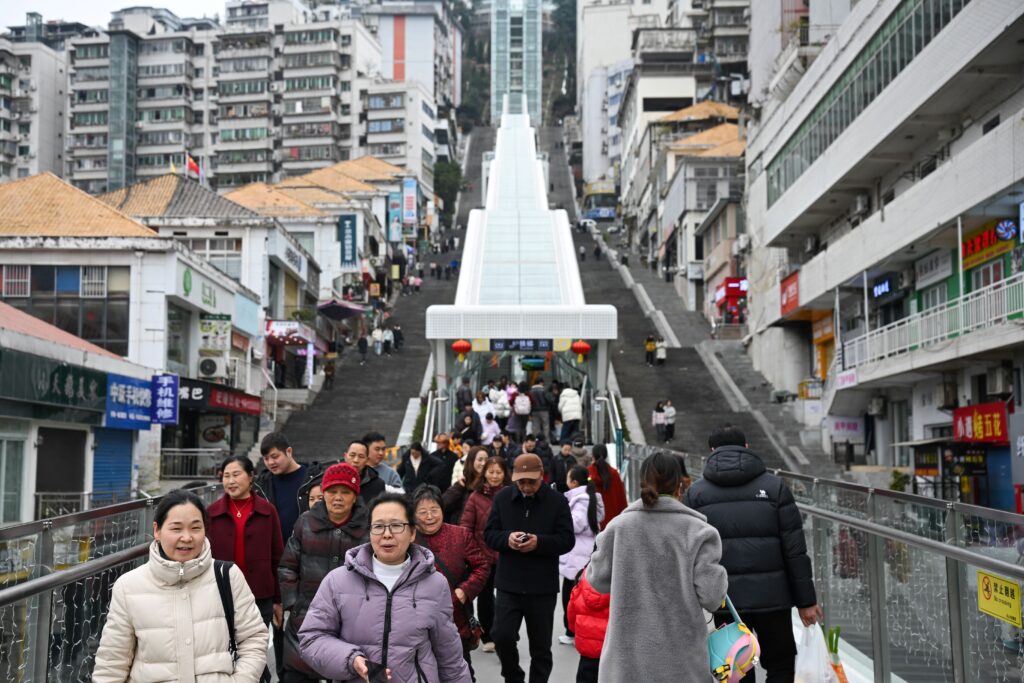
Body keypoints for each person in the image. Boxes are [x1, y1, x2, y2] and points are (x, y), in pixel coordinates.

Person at [685, 426, 822, 682]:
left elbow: (690, 554)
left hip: (725, 600)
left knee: (737, 669)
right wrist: (806, 601)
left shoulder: (696, 494)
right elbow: (795, 550)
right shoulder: (775, 488)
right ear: (747, 447)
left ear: (711, 452)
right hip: (773, 598)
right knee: (780, 665)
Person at [93, 489, 268, 682]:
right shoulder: (128, 586)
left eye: (195, 528)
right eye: (176, 529)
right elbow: (112, 664)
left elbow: (254, 639)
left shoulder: (227, 576)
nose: (186, 537)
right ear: (157, 530)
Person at [298, 493, 473, 683]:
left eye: (397, 525)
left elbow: (450, 657)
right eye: (379, 526)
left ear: (413, 533)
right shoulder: (338, 581)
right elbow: (312, 638)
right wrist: (351, 660)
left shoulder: (435, 584)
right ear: (370, 532)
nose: (387, 534)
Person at [588, 452, 728, 683]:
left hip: (627, 662)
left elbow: (597, 580)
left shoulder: (618, 527)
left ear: (642, 482)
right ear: (679, 486)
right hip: (682, 662)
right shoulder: (700, 532)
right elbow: (712, 597)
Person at [484, 453, 575, 683]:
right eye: (521, 481)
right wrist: (508, 539)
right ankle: (513, 677)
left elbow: (567, 540)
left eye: (531, 481)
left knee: (541, 648)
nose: (525, 486)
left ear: (541, 476)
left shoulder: (557, 501)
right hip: (508, 584)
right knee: (502, 636)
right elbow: (489, 534)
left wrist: (539, 543)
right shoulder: (503, 498)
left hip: (542, 587)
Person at [278, 463, 368, 683]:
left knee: (348, 669)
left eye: (345, 492)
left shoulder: (368, 528)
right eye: (332, 491)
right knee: (299, 673)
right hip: (306, 617)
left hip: (352, 621)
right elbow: (287, 566)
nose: (338, 498)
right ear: (323, 493)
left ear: (355, 496)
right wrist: (295, 604)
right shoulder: (306, 522)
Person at [208, 454, 285, 682]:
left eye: (236, 474)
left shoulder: (267, 511)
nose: (230, 481)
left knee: (255, 650)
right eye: (226, 476)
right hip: (220, 595)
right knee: (225, 651)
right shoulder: (212, 513)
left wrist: (278, 600)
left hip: (259, 595)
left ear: (251, 477)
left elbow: (277, 555)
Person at [413, 485, 492, 680]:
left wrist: (464, 591)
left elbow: (482, 565)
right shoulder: (407, 538)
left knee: (461, 673)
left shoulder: (460, 534)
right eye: (422, 512)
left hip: (455, 620)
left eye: (434, 510)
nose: (429, 517)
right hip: (417, 621)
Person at [460, 456, 511, 652]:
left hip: (507, 554)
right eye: (491, 472)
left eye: (499, 472)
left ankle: (506, 632)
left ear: (505, 473)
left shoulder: (511, 494)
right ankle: (488, 636)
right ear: (484, 473)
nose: (495, 476)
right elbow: (466, 527)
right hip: (482, 556)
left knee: (508, 597)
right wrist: (471, 553)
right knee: (486, 597)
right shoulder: (475, 497)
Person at [558, 466, 604, 646]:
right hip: (584, 552)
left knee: (571, 596)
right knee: (581, 595)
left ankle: (572, 631)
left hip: (577, 554)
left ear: (574, 482)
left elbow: (575, 525)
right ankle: (576, 630)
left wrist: (560, 519)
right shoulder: (588, 498)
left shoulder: (580, 500)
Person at [566, 566, 609, 683]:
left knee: (585, 677)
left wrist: (574, 630)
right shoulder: (621, 581)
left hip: (587, 647)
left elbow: (571, 609)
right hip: (609, 647)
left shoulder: (583, 577)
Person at [444, 446, 489, 524]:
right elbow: (444, 503)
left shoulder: (490, 483)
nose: (483, 463)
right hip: (461, 530)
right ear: (471, 461)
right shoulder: (463, 482)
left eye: (486, 460)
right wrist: (459, 487)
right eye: (480, 460)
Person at [587, 445, 627, 530]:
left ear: (593, 456)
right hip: (612, 522)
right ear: (606, 455)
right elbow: (621, 499)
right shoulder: (614, 474)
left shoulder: (588, 473)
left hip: (593, 522)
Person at [344, 439, 385, 503]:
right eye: (352, 455)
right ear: (345, 456)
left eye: (361, 456)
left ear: (367, 460)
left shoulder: (378, 484)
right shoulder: (332, 478)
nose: (356, 460)